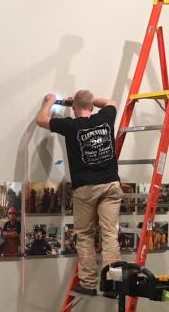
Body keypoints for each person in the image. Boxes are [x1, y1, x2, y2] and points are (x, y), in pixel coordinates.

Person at [36, 90, 121, 295]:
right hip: (111, 185)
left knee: (85, 235)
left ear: (74, 109)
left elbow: (41, 120)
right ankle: (113, 284)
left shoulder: (71, 125)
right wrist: (83, 100)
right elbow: (110, 101)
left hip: (85, 188)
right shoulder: (105, 117)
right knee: (110, 234)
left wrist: (50, 101)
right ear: (92, 107)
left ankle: (88, 283)